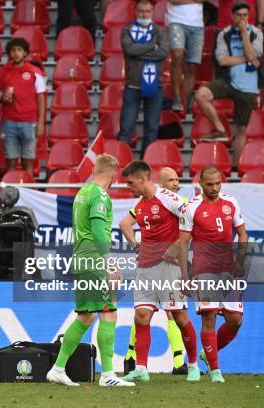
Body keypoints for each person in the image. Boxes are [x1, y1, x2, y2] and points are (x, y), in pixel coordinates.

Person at [47, 154, 135, 387]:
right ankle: (107, 375)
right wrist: (108, 263)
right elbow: (98, 232)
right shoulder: (100, 195)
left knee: (86, 316)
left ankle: (57, 368)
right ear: (113, 173)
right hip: (94, 260)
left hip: (80, 259)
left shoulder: (82, 192)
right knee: (109, 313)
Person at [118, 161, 200, 383]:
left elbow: (192, 216)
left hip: (170, 268)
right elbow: (124, 223)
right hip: (146, 267)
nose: (127, 186)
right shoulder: (141, 204)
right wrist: (136, 245)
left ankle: (192, 364)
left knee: (180, 317)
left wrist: (178, 244)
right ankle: (142, 368)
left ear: (143, 179)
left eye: (130, 182)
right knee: (142, 316)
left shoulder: (166, 197)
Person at [179, 166, 248, 383]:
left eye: (218, 183)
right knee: (208, 318)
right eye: (210, 184)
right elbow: (182, 243)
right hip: (204, 270)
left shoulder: (231, 202)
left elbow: (242, 232)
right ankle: (215, 371)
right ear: (201, 184)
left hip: (229, 269)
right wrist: (185, 274)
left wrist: (240, 261)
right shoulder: (191, 208)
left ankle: (209, 352)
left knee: (235, 321)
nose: (215, 188)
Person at [194, 2, 263, 165]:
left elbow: (255, 54)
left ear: (249, 16)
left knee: (241, 130)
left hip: (248, 85)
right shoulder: (224, 34)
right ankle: (220, 129)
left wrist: (245, 35)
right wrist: (248, 58)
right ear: (232, 16)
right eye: (239, 15)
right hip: (228, 81)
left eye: (245, 15)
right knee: (201, 95)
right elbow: (223, 60)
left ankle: (235, 167)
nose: (242, 19)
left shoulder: (257, 34)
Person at [117, 0, 169, 157]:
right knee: (126, 128)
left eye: (147, 12)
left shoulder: (160, 32)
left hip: (156, 87)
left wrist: (139, 51)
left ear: (152, 13)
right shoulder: (127, 30)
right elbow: (129, 49)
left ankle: (146, 163)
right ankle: (122, 162)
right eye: (141, 11)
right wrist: (152, 46)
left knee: (152, 129)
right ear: (135, 12)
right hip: (132, 86)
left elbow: (163, 53)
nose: (144, 14)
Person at [0, 38, 46, 176]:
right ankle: (8, 195)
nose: (16, 53)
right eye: (13, 50)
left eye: (19, 50)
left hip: (29, 122)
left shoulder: (35, 72)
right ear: (9, 53)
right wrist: (3, 98)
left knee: (27, 161)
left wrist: (41, 122)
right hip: (9, 121)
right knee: (10, 161)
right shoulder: (3, 72)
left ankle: (28, 193)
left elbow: (41, 97)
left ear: (25, 53)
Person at [167, 0, 205, 113]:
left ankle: (184, 102)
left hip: (197, 25)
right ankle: (177, 98)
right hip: (176, 21)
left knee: (192, 66)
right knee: (177, 55)